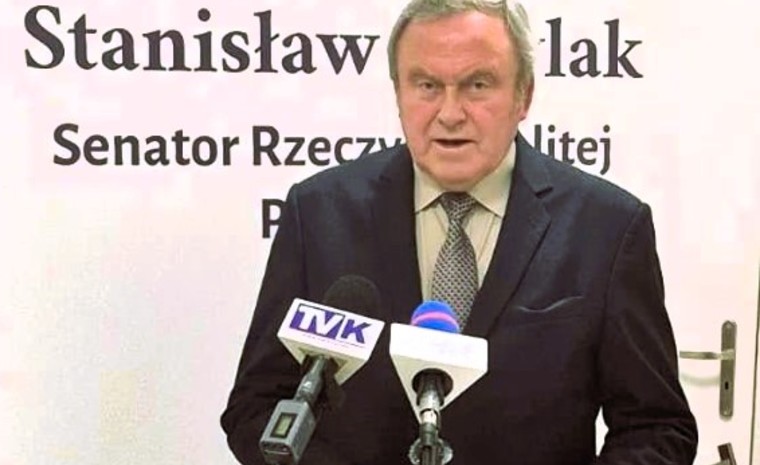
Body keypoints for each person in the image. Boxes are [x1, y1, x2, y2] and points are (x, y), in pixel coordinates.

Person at [221, 1, 698, 464]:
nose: (450, 113)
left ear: (524, 96)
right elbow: (256, 405)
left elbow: (656, 428)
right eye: (427, 85)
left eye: (477, 84)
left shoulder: (608, 229)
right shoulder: (318, 214)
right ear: (398, 94)